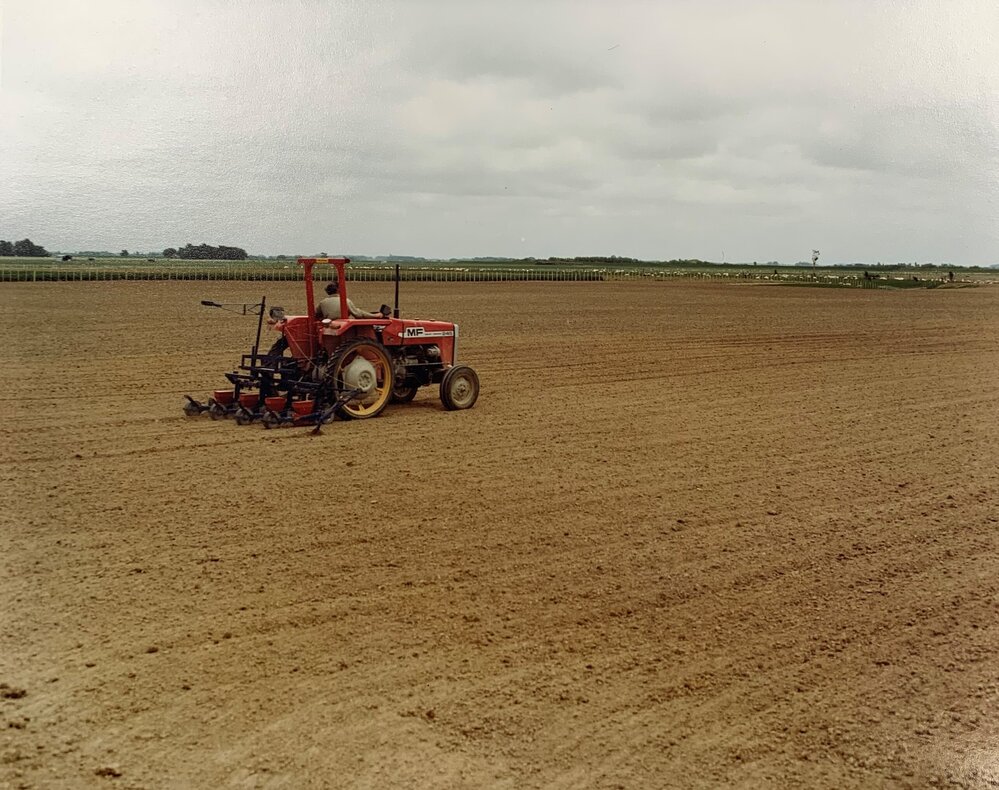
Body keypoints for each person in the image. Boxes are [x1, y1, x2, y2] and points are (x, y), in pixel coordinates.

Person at [316, 281, 387, 320]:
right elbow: (358, 314)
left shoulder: (323, 302)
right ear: (339, 290)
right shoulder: (345, 301)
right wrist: (376, 316)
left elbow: (316, 314)